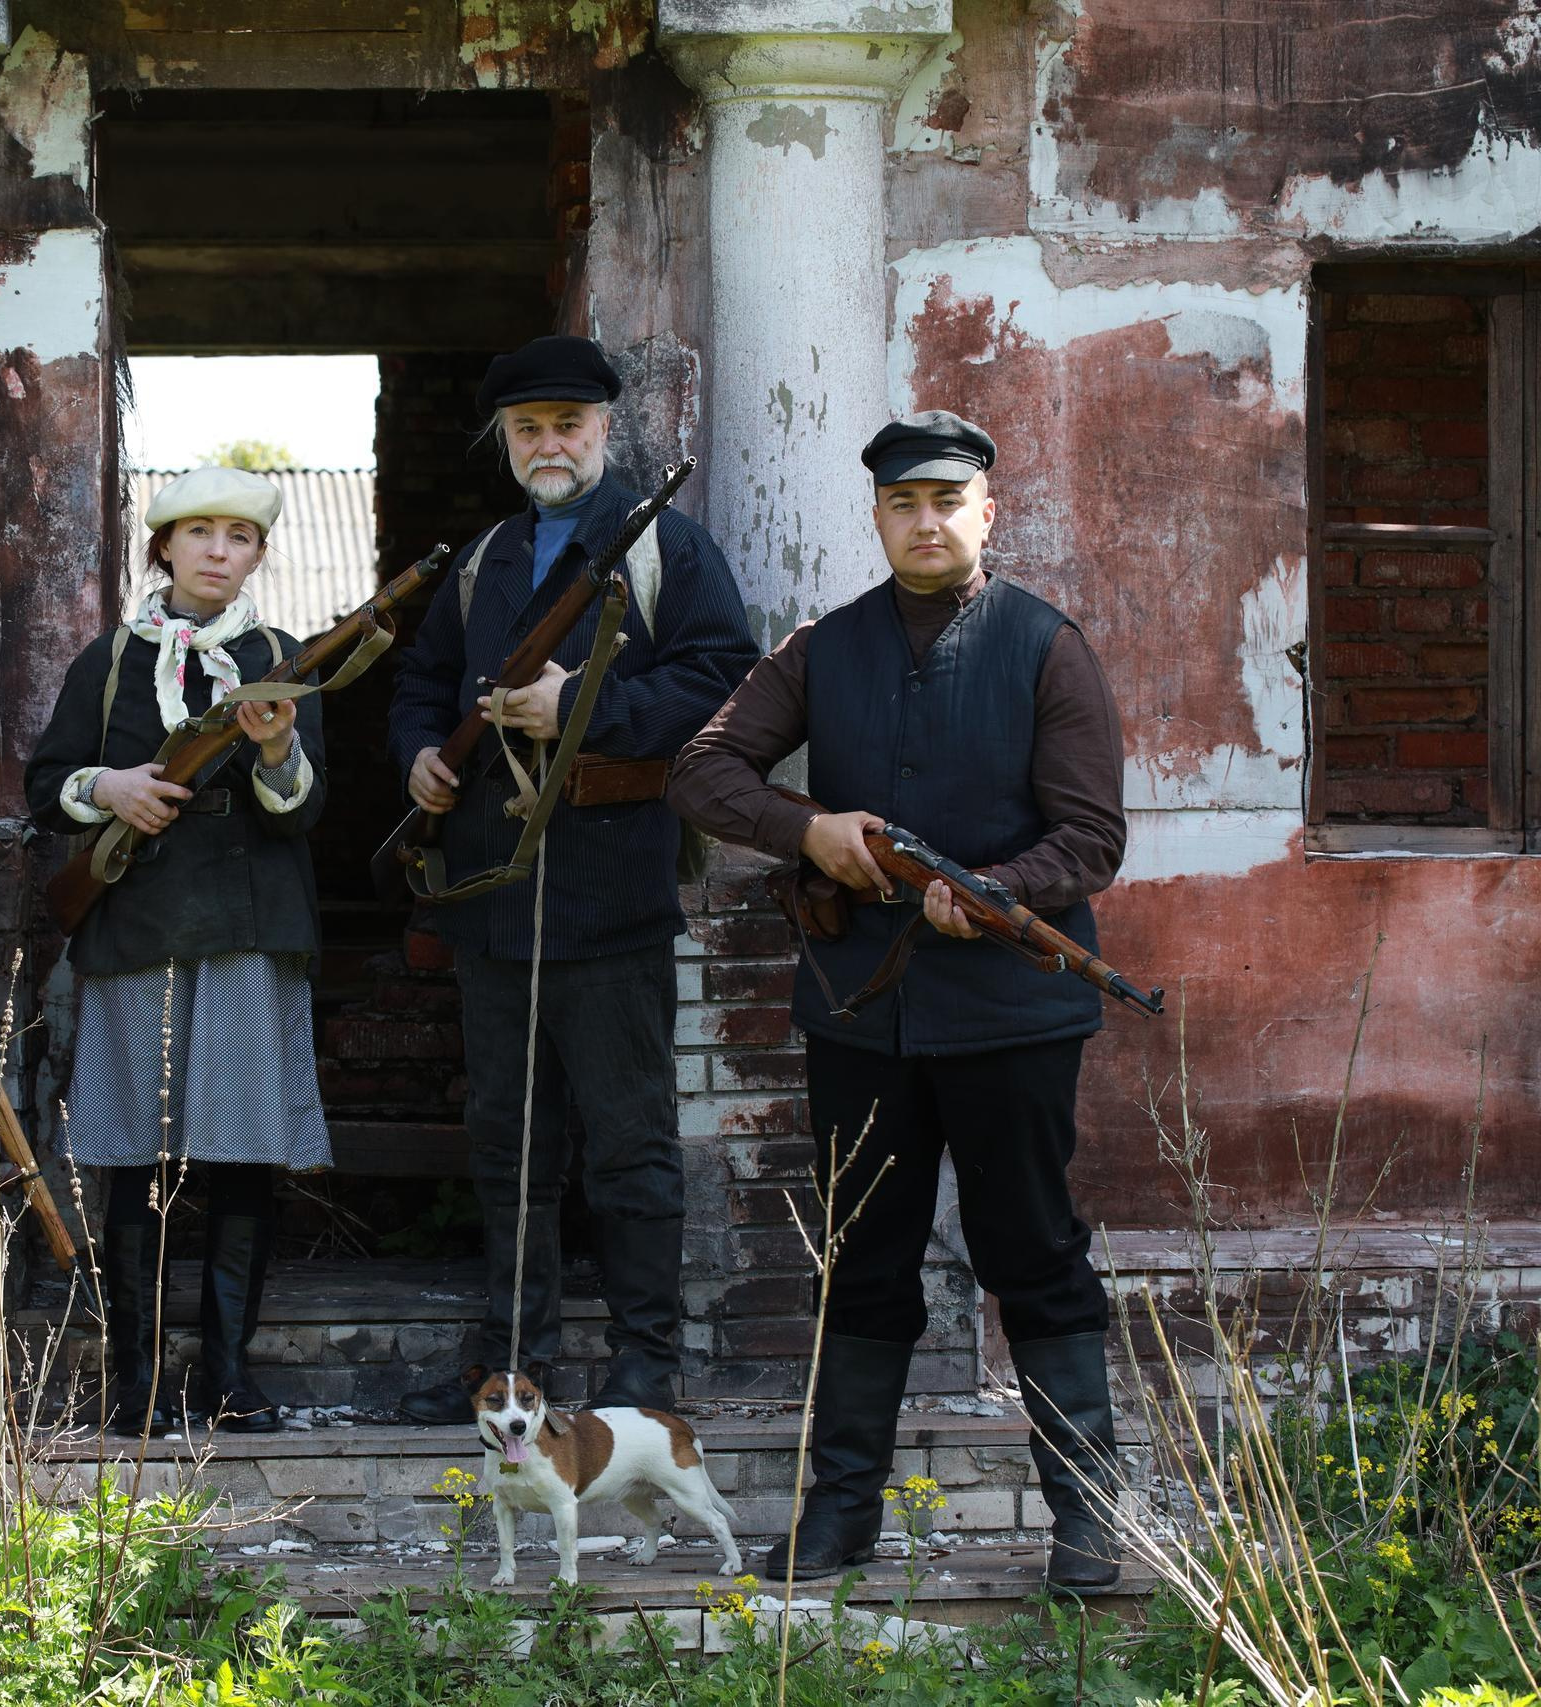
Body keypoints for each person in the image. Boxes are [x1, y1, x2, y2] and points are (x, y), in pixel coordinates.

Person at [666, 410, 1132, 1591]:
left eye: (946, 501)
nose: (925, 522)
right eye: (901, 504)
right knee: (862, 1262)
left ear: (987, 512)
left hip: (1014, 1019)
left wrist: (994, 893)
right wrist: (808, 830)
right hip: (858, 1017)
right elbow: (702, 769)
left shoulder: (1045, 646)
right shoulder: (824, 648)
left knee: (1032, 1253)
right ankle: (837, 1522)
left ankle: (1085, 1522)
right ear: (876, 517)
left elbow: (1089, 838)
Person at [386, 334, 758, 1425]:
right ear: (505, 441)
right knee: (508, 1143)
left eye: (569, 424)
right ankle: (514, 1361)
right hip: (490, 895)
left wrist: (581, 709)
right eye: (528, 429)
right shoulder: (480, 560)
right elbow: (419, 684)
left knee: (632, 1144)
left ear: (605, 428)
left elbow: (723, 678)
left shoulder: (666, 551)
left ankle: (646, 1366)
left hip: (612, 886)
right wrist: (414, 752)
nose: (550, 444)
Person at [25, 465, 330, 1435]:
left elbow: (308, 809)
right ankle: (139, 1380)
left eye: (236, 537)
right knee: (138, 1157)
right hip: (140, 927)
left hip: (246, 925)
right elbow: (46, 784)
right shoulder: (108, 663)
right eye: (197, 533)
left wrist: (276, 752)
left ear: (256, 556)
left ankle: (229, 1377)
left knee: (241, 1157)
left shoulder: (282, 660)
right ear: (163, 546)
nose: (215, 551)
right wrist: (110, 789)